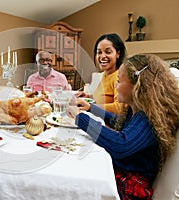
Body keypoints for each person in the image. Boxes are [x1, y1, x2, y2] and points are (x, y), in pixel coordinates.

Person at [67, 54, 179, 199]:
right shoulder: (135, 111)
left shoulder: (148, 119)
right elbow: (117, 121)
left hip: (132, 184)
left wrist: (80, 118)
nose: (115, 85)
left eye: (119, 81)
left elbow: (121, 144)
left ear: (137, 86)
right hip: (124, 172)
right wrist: (90, 108)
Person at [76, 33, 126, 114]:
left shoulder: (119, 77)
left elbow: (120, 108)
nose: (102, 56)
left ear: (118, 53)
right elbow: (104, 98)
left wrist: (91, 107)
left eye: (108, 52)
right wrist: (88, 97)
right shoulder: (104, 75)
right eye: (99, 52)